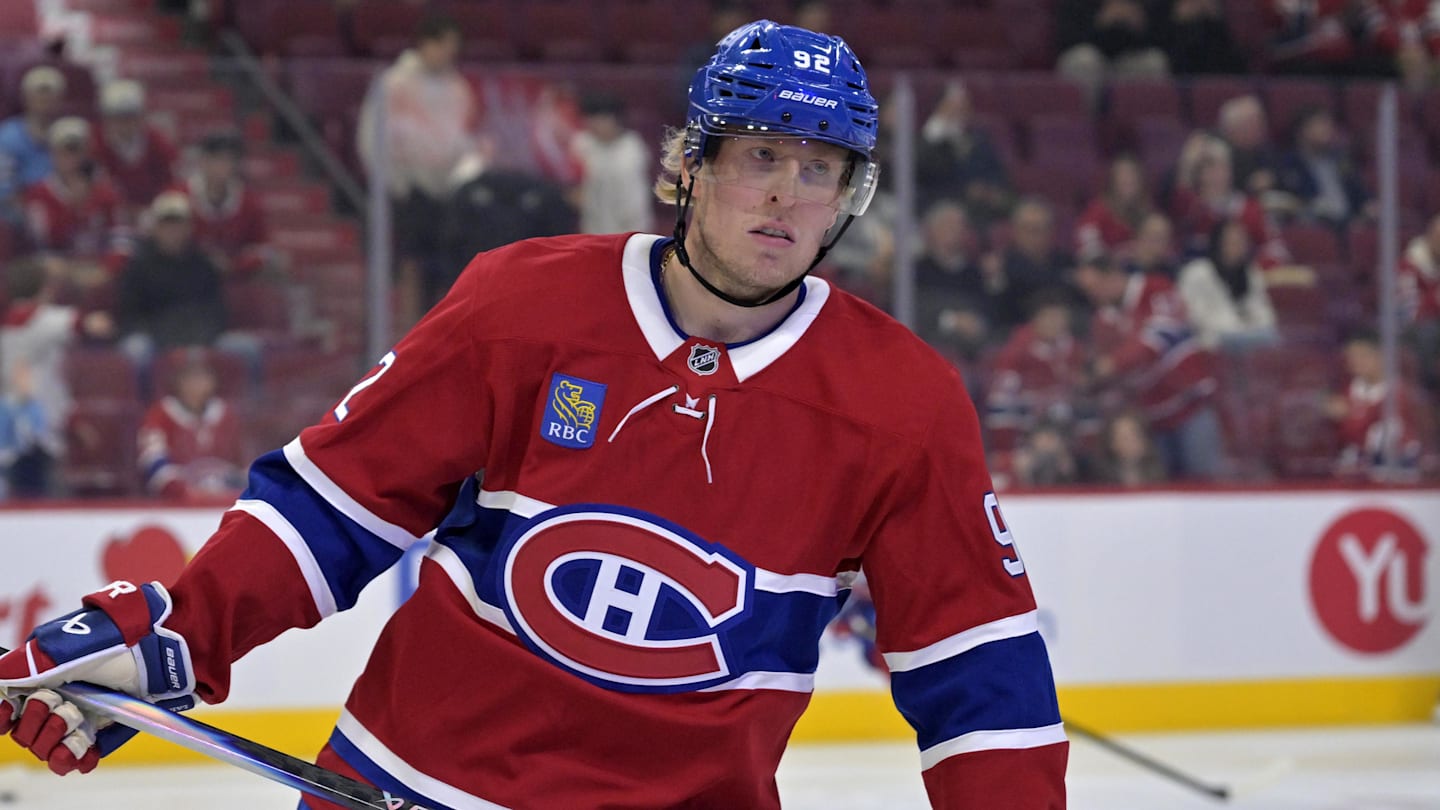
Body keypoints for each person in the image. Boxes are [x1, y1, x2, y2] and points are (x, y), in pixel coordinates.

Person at [0, 20, 1068, 809]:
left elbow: (981, 679)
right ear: (688, 168)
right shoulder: (522, 304)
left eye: (819, 168)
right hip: (415, 785)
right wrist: (179, 635)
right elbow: (331, 513)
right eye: (760, 157)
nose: (789, 193)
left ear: (850, 197)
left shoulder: (904, 405)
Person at [356, 12, 479, 328]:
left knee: (444, 267)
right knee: (410, 264)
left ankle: (438, 331)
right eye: (445, 45)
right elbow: (373, 137)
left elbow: (464, 137)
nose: (450, 53)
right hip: (407, 189)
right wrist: (392, 185)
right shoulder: (395, 83)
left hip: (447, 192)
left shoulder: (458, 88)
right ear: (426, 43)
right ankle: (403, 334)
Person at [1072, 252, 1224, 479]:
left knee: (1204, 486)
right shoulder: (1103, 319)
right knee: (1159, 492)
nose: (1092, 296)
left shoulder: (1156, 288)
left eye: (1095, 287)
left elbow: (1161, 337)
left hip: (1190, 408)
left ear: (1113, 276)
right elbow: (1104, 368)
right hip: (1152, 421)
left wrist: (1112, 364)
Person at [1324, 329, 1428, 481]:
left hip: (1398, 474)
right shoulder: (1345, 392)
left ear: (1382, 356)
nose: (1355, 362)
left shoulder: (1404, 395)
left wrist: (1350, 416)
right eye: (1351, 357)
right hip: (1353, 475)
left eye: (1363, 356)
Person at [137, 353, 244, 499]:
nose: (196, 384)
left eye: (202, 377)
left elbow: (242, 462)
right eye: (189, 378)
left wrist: (235, 485)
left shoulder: (226, 413)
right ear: (177, 381)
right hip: (176, 500)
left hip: (226, 498)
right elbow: (152, 460)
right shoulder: (159, 414)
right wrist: (182, 490)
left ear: (213, 381)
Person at [915, 79, 1013, 226]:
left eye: (963, 107)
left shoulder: (979, 140)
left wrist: (988, 190)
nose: (958, 112)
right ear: (939, 107)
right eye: (951, 106)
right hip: (940, 204)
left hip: (981, 207)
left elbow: (997, 173)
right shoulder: (926, 141)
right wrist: (964, 191)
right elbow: (926, 177)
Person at [22, 117, 123, 259]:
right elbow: (43, 242)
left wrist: (107, 269)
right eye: (64, 150)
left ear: (87, 152)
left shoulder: (106, 191)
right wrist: (74, 206)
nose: (71, 157)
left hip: (98, 265)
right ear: (53, 154)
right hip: (58, 266)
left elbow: (120, 238)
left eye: (75, 150)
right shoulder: (39, 194)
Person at [1176, 219, 1279, 351]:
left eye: (1241, 241)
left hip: (1248, 339)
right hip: (1209, 344)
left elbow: (1264, 313)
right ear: (1218, 242)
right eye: (1231, 241)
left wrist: (1250, 330)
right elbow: (1192, 316)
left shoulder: (1251, 273)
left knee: (1271, 337)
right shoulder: (1197, 272)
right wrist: (1235, 329)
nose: (1237, 246)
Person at [177, 130, 270, 276]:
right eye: (219, 159)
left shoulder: (248, 201)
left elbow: (261, 247)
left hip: (236, 280)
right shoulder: (179, 196)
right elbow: (162, 245)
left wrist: (234, 265)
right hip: (185, 279)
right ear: (204, 161)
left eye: (231, 159)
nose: (227, 166)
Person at [1055, 0, 1171, 108]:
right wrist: (1102, 24)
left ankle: (1141, 127)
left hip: (1130, 58)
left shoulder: (1146, 4)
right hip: (1092, 57)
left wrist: (1136, 27)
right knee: (1083, 60)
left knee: (1154, 61)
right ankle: (1082, 126)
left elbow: (1159, 41)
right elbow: (1068, 40)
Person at [1275, 105, 1373, 228]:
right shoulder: (1289, 164)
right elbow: (1293, 202)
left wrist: (1367, 206)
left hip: (1351, 225)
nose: (1327, 130)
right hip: (1315, 226)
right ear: (1302, 130)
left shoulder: (1341, 160)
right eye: (1320, 124)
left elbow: (1360, 193)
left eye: (1328, 124)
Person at [569, 92, 652, 235]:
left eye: (600, 120)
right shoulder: (582, 143)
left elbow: (635, 201)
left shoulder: (632, 148)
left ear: (615, 120)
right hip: (591, 229)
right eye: (590, 120)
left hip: (628, 230)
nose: (594, 125)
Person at [93, 79, 179, 213]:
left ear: (141, 116)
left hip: (152, 213)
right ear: (107, 118)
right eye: (117, 117)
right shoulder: (95, 143)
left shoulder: (157, 142)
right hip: (110, 212)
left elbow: (171, 184)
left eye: (130, 116)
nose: (124, 123)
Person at [0, 66, 66, 225]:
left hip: (65, 208)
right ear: (26, 98)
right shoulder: (8, 136)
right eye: (39, 96)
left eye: (50, 97)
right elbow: (4, 188)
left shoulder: (69, 132)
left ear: (60, 100)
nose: (44, 103)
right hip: (21, 212)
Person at [1074, 153, 1153, 262]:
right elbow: (1088, 249)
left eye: (1132, 177)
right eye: (1123, 176)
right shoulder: (1097, 212)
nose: (1128, 180)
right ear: (1112, 181)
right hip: (1104, 271)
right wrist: (1115, 256)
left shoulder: (1147, 213)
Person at [1087, 409, 1168, 486]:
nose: (1132, 441)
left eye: (1136, 434)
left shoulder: (1158, 473)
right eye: (1125, 437)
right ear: (1111, 443)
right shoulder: (1100, 479)